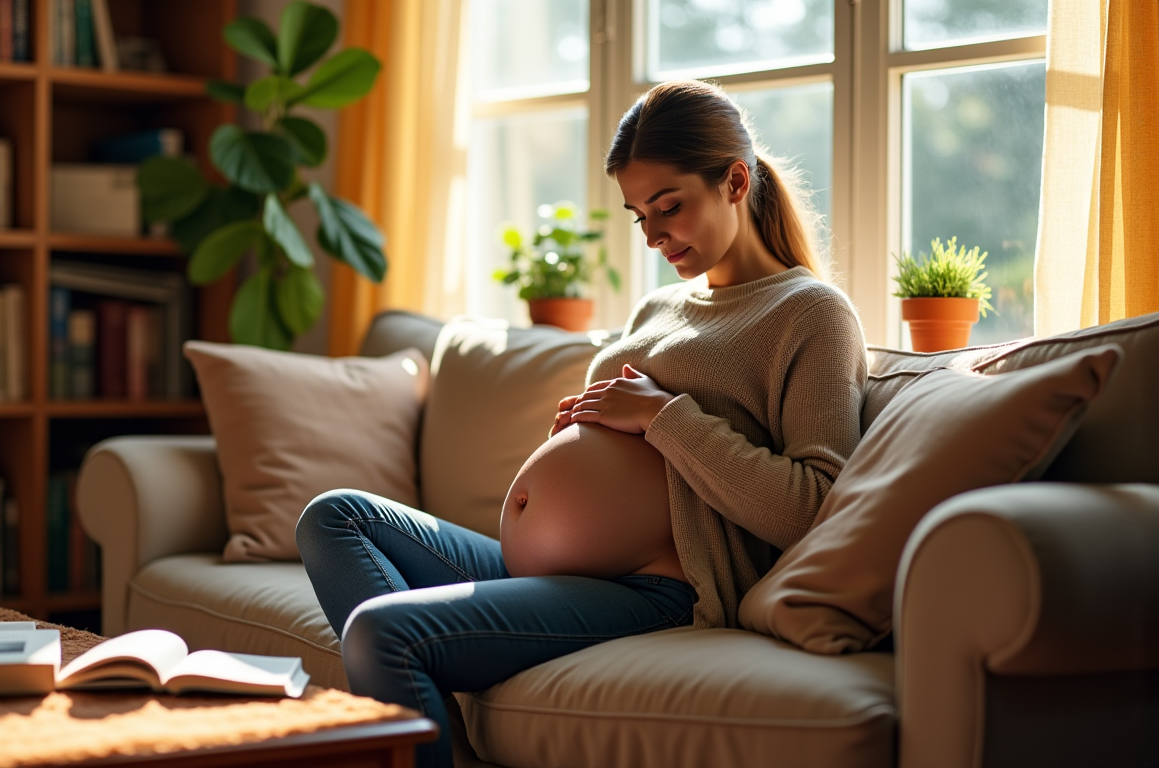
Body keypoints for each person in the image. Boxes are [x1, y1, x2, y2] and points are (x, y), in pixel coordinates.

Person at [295, 79, 868, 768]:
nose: (654, 234)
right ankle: (434, 717)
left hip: (657, 589)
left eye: (669, 207)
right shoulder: (658, 308)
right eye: (638, 215)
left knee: (381, 633)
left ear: (735, 182)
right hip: (542, 568)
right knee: (334, 517)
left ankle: (425, 705)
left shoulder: (810, 314)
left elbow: (813, 509)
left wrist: (663, 417)